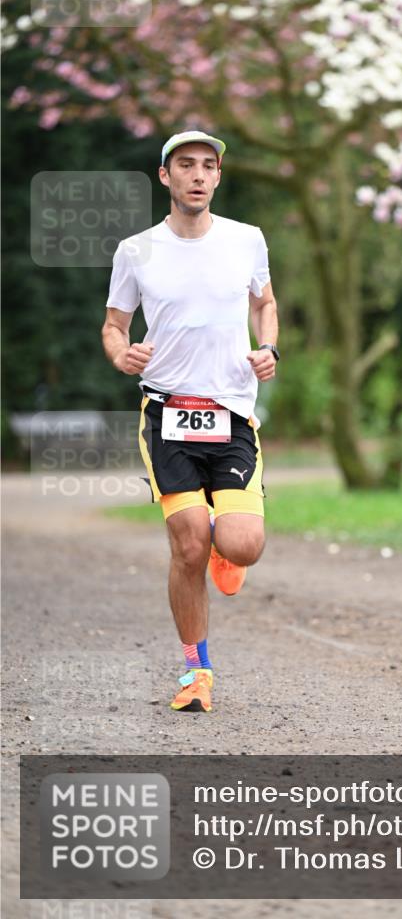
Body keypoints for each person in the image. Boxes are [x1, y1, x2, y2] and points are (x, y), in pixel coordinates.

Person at [101, 130, 279, 713]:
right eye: (186, 165)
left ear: (218, 177)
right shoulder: (136, 251)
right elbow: (114, 324)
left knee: (241, 544)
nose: (198, 175)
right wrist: (120, 351)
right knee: (187, 546)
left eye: (208, 166)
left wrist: (268, 347)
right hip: (167, 413)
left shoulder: (247, 239)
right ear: (165, 177)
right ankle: (195, 672)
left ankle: (228, 546)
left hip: (230, 411)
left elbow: (264, 302)